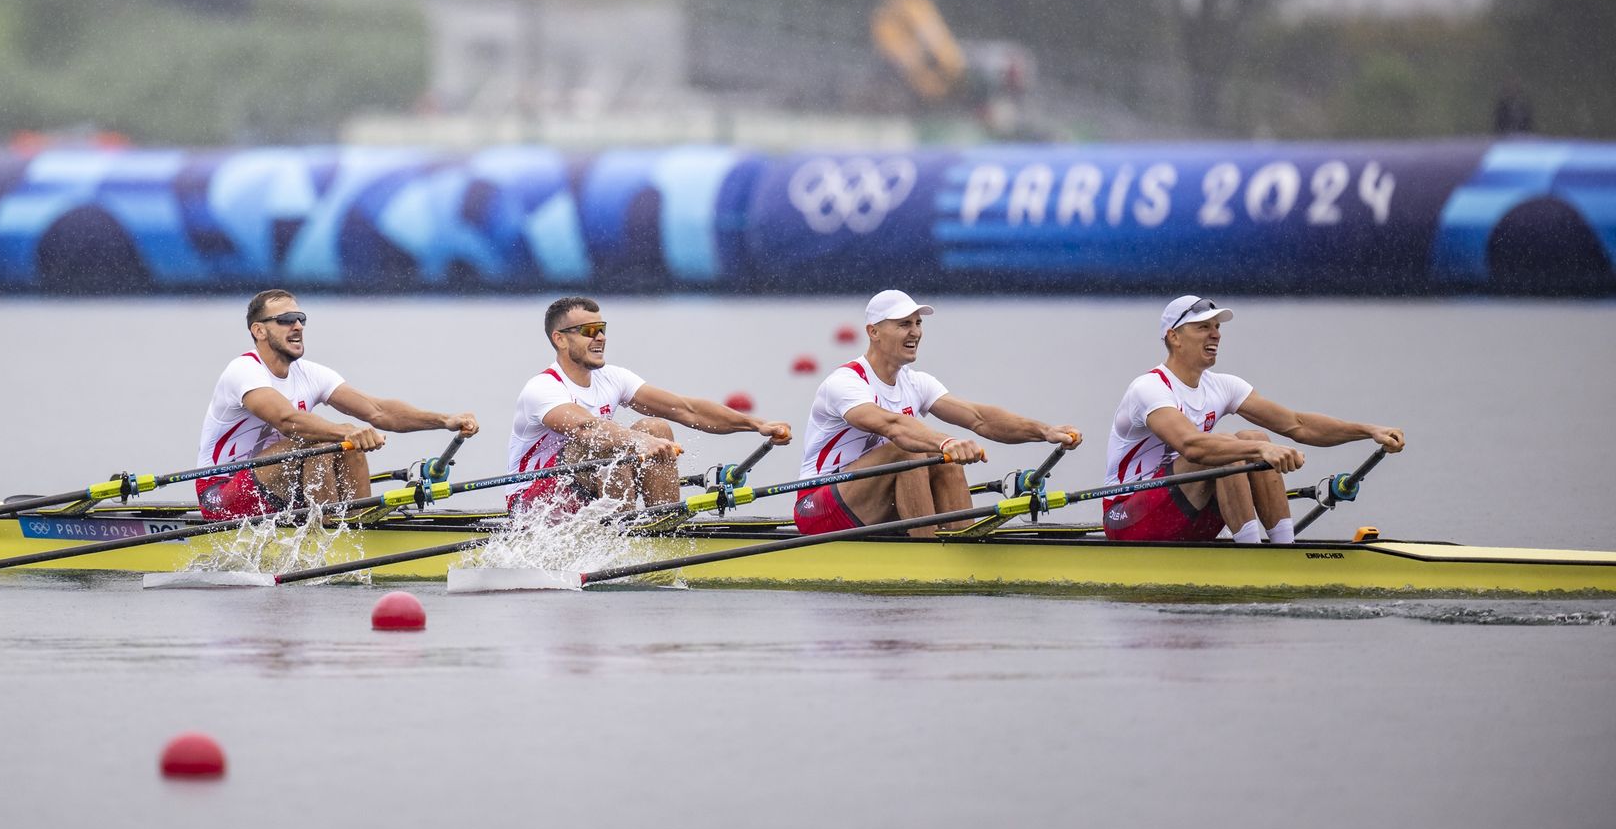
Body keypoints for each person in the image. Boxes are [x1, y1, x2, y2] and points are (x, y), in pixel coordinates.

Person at [1102, 296, 1405, 545]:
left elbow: (1297, 424)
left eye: (1217, 327)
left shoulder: (1223, 386)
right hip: (1128, 518)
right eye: (1203, 327)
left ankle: (1283, 547)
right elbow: (1191, 446)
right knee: (1231, 448)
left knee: (1254, 439)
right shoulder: (1149, 388)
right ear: (1174, 337)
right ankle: (1251, 553)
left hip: (1185, 513)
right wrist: (1257, 454)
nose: (1216, 334)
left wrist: (1368, 430)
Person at [792, 290, 1083, 537]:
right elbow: (892, 426)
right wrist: (945, 442)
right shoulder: (846, 383)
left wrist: (1044, 431)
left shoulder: (915, 382)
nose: (915, 332)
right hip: (818, 508)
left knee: (946, 461)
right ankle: (929, 554)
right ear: (873, 331)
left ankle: (964, 546)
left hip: (871, 502)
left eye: (918, 323)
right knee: (911, 451)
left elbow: (978, 418)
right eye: (904, 324)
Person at [195, 289, 480, 521]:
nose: (297, 326)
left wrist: (444, 420)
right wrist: (344, 432)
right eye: (285, 319)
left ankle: (359, 523)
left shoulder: (310, 373)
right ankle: (330, 533)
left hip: (278, 485)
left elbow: (378, 411)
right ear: (259, 330)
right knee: (323, 442)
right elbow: (286, 419)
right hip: (221, 494)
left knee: (347, 444)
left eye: (300, 318)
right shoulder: (243, 371)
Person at [505, 296, 791, 517]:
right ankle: (622, 532)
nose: (600, 337)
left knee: (657, 426)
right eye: (589, 330)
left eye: (602, 329)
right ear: (561, 339)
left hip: (589, 490)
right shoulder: (542, 388)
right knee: (612, 440)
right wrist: (638, 441)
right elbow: (586, 427)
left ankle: (662, 527)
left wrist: (755, 424)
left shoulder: (613, 377)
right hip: (536, 499)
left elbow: (685, 409)